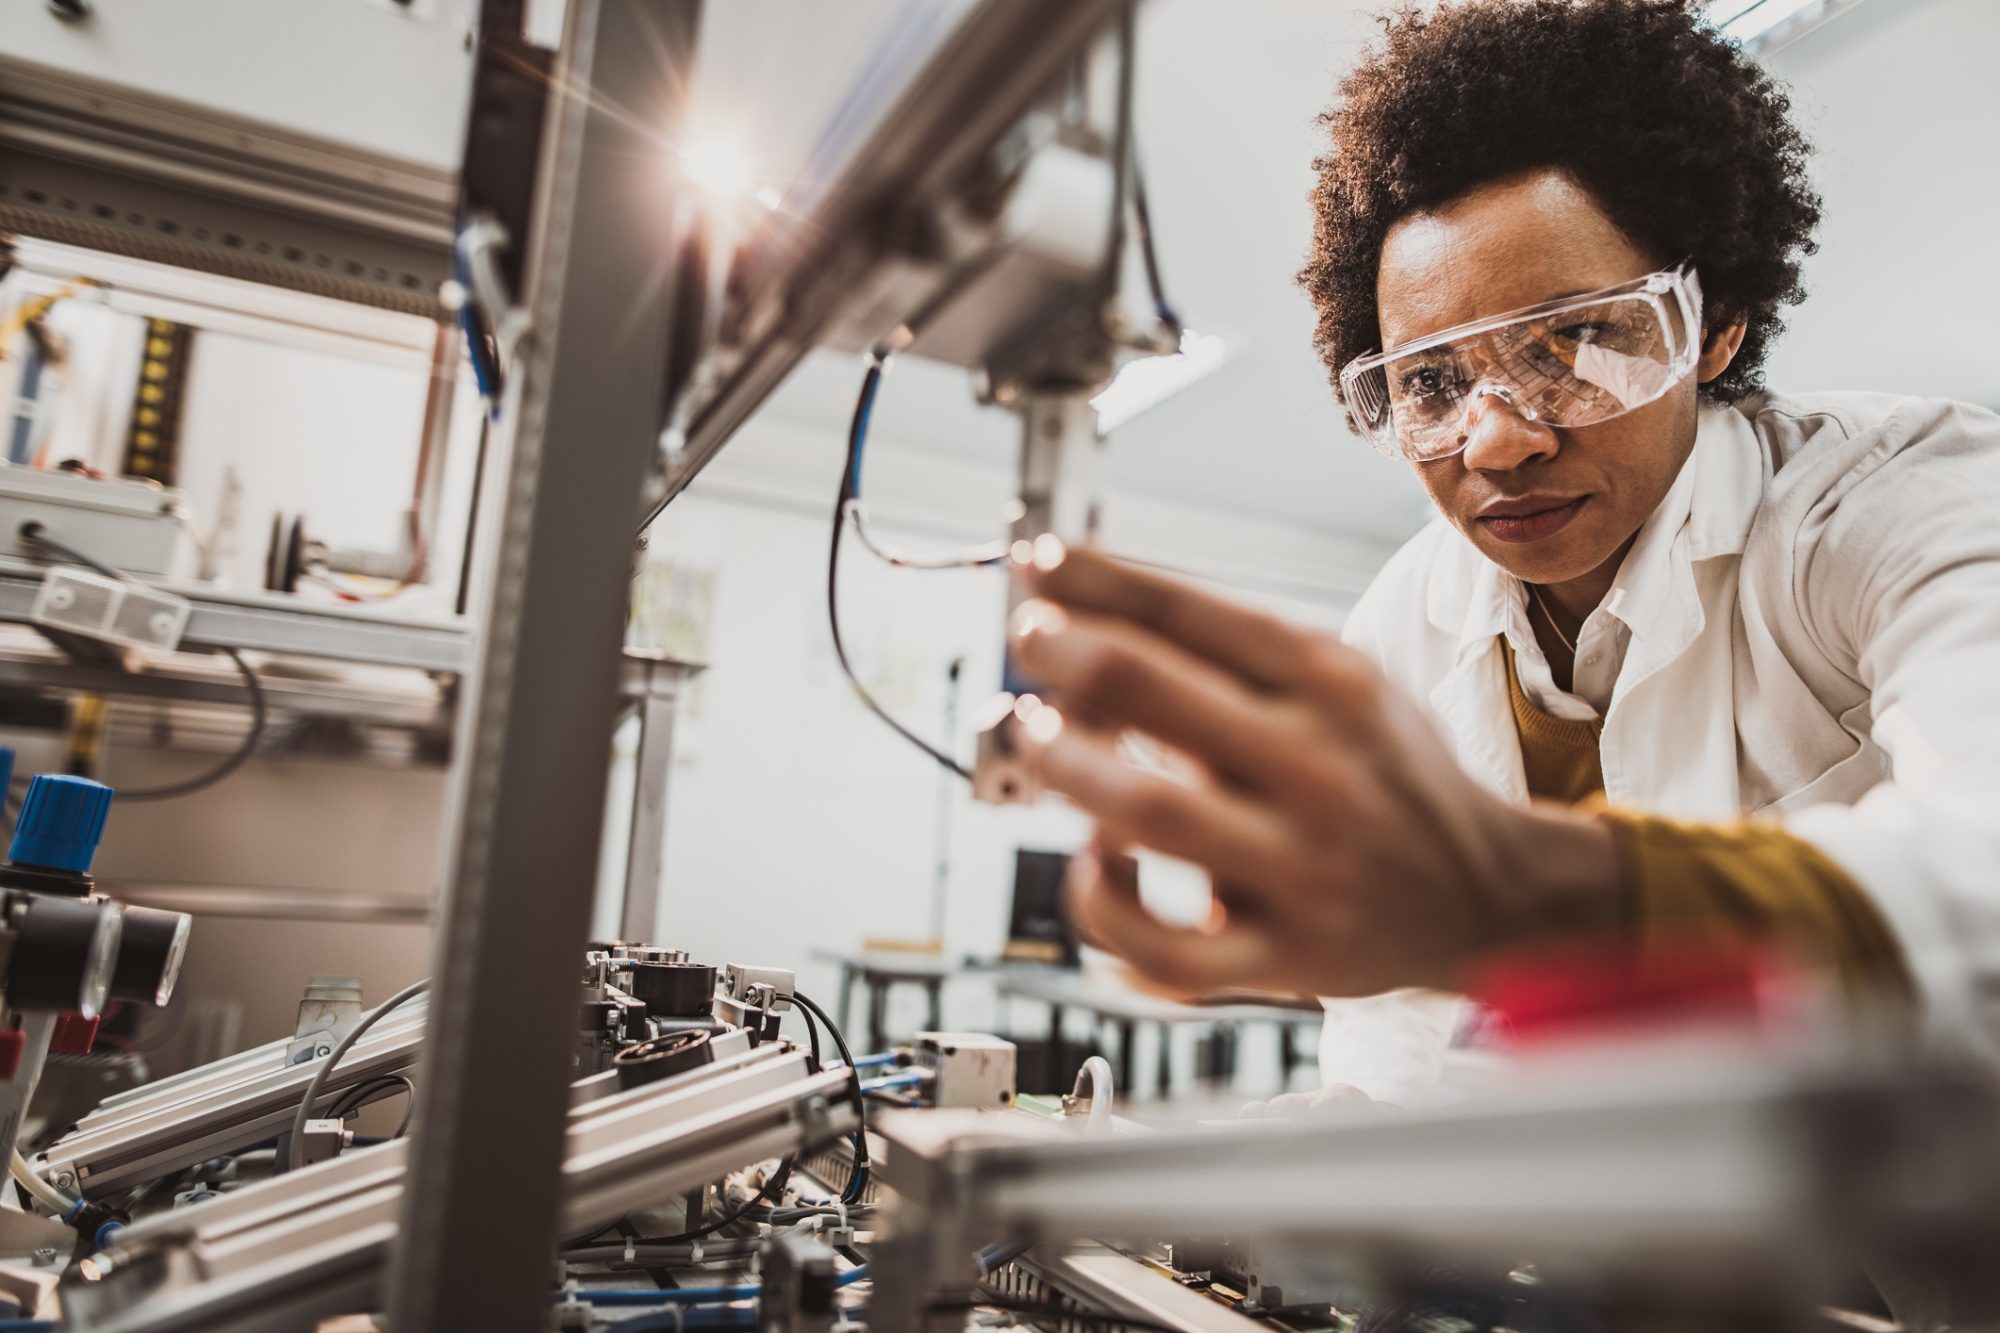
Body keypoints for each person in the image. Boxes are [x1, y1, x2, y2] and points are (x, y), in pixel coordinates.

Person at [1004, 0, 2000, 1101]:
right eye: (1430, 382)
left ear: (1712, 322)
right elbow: (1392, 1022)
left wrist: (1524, 893)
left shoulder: (1903, 503)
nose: (1498, 439)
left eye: (1573, 342)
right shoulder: (1406, 616)